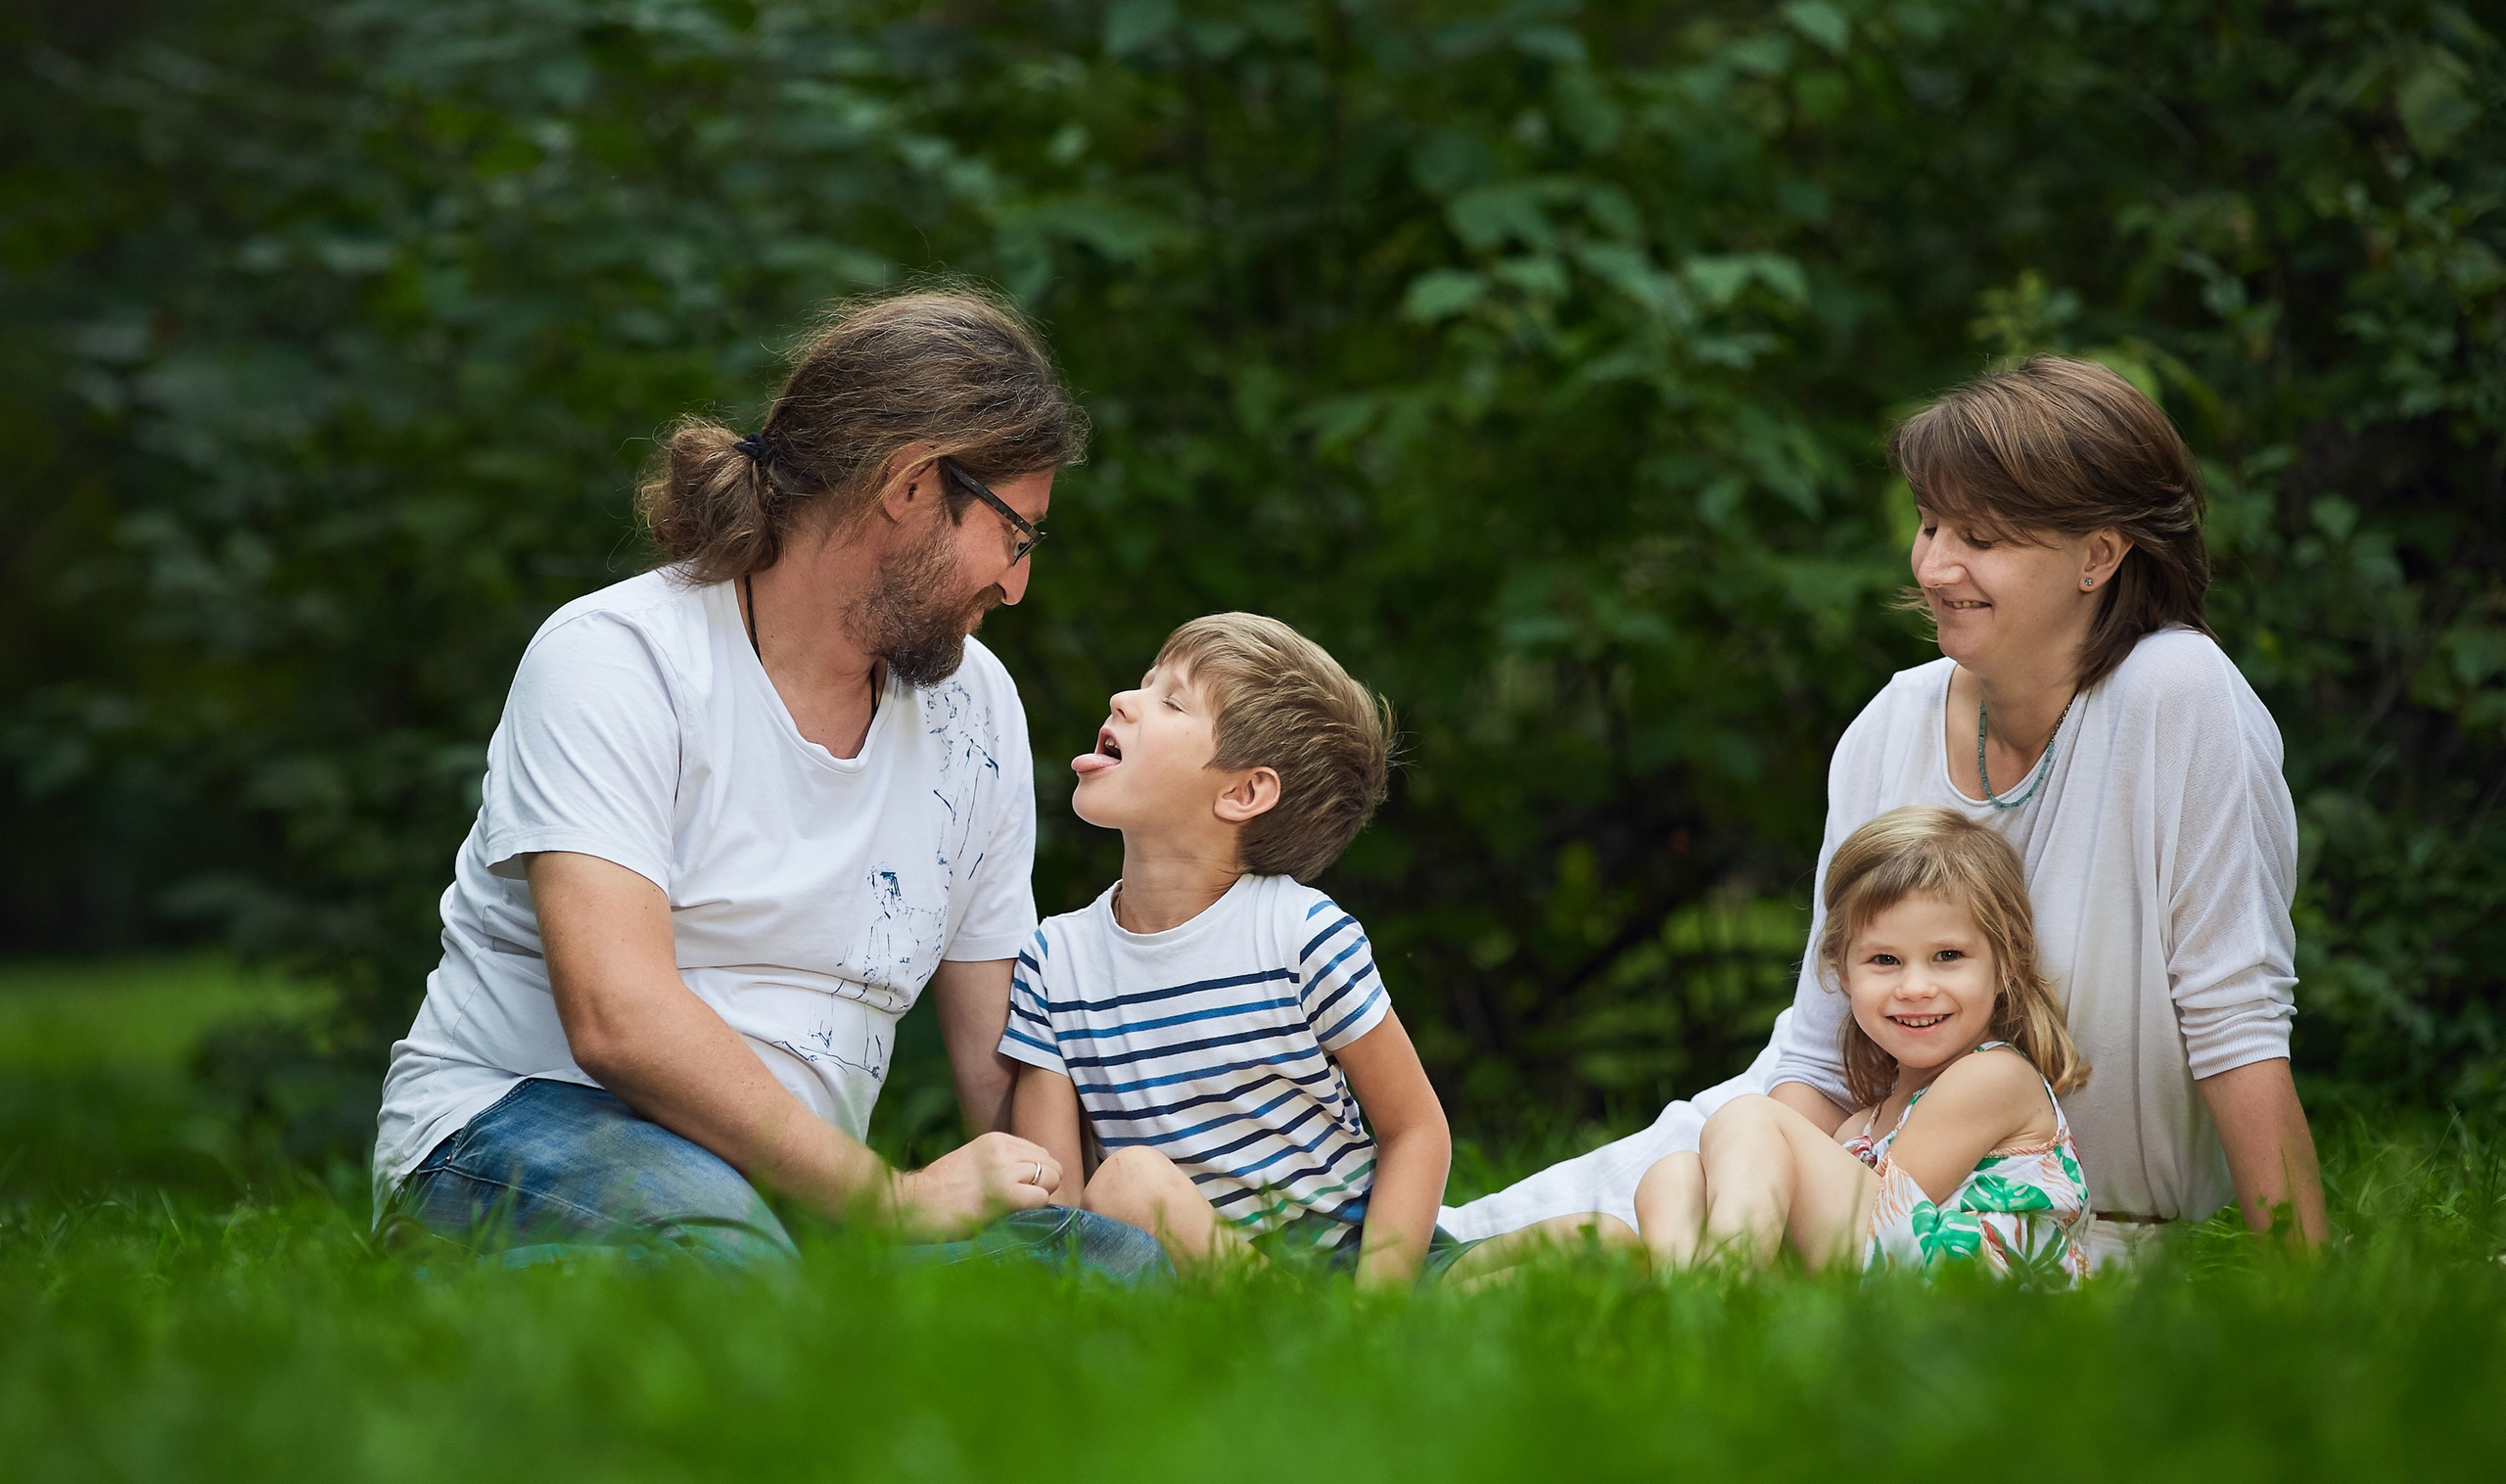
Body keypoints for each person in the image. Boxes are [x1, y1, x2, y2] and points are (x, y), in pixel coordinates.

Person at [1442, 356, 2327, 1267]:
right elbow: (1821, 1052)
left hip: (2037, 1229)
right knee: (1485, 1238)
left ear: (2098, 556)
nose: (1936, 565)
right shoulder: (1892, 721)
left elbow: (2236, 1018)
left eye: (1982, 537)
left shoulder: (2178, 696)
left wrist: (2311, 1287)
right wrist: (1782, 1206)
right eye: (1930, 523)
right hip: (1840, 1161)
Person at [373, 287, 1162, 1276]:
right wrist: (884, 1197)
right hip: (527, 1122)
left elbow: (995, 1065)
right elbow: (617, 1019)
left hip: (799, 1193)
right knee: (719, 1257)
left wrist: (1130, 1196)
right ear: (912, 485)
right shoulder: (617, 657)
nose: (1015, 585)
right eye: (1017, 535)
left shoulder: (979, 709)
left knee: (1116, 1270)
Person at [998, 613, 1468, 1286]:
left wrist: (1376, 1308)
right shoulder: (1054, 961)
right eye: (1143, 683)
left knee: (1601, 1244)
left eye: (1172, 700)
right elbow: (1060, 1211)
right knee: (1128, 1182)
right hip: (1202, 1277)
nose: (1123, 701)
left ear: (1243, 791)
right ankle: (1296, 1332)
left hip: (1360, 1260)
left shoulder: (1302, 932)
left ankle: (1344, 1338)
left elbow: (1416, 1128)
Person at [1630, 807, 2091, 1281]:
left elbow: (1877, 1219)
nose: (1915, 987)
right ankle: (1695, 1311)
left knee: (1750, 1116)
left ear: (2009, 962)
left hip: (1985, 1307)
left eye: (1948, 956)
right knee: (1672, 1176)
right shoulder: (1859, 1127)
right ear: (1843, 972)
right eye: (1885, 959)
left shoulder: (1995, 1077)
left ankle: (1721, 1295)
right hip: (1884, 1296)